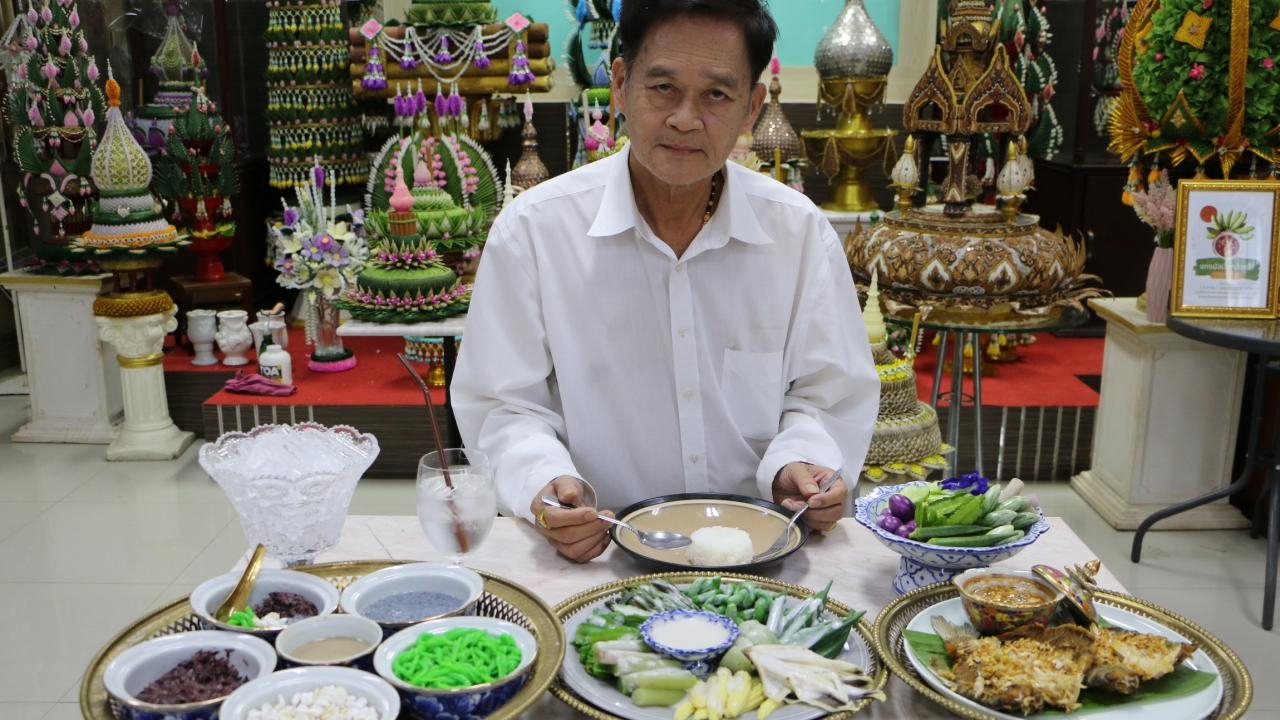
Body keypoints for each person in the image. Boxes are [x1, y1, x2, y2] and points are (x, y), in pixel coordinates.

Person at [451, 0, 878, 562]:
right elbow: (504, 405)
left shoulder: (796, 234)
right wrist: (543, 482)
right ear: (620, 85)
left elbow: (827, 392)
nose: (685, 119)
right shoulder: (536, 232)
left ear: (751, 107)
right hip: (598, 556)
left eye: (716, 95)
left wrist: (799, 463)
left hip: (763, 556)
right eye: (663, 88)